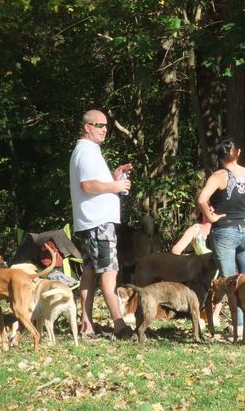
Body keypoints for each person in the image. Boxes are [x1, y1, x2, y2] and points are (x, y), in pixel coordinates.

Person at [69, 109, 134, 340]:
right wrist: (115, 187)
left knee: (89, 272)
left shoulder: (88, 150)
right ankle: (120, 326)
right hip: (98, 223)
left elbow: (92, 183)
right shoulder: (86, 151)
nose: (104, 129)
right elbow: (87, 185)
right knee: (109, 271)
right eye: (99, 125)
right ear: (87, 127)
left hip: (92, 222)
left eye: (106, 125)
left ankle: (86, 325)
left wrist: (113, 178)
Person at [197, 137, 245, 341]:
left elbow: (202, 200)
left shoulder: (218, 176)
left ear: (219, 156)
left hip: (224, 232)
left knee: (231, 281)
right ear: (237, 153)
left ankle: (239, 328)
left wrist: (211, 217)